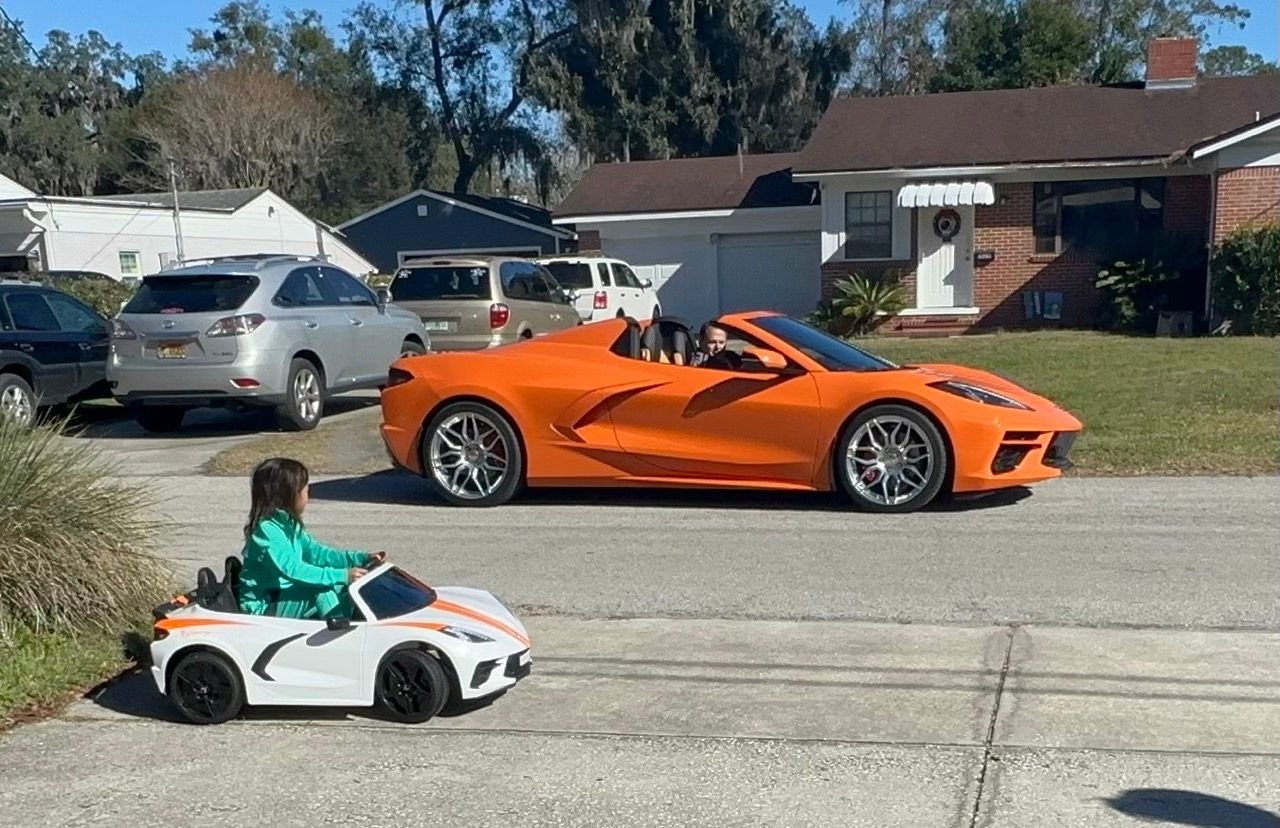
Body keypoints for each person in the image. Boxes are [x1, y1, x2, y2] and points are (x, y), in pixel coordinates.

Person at [237, 457, 384, 619]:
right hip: (263, 607)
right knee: (323, 590)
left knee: (342, 589)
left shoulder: (288, 524)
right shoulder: (267, 532)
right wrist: (343, 575)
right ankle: (343, 637)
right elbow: (293, 570)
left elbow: (317, 554)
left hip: (285, 596)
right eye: (305, 489)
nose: (309, 494)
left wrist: (359, 558)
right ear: (288, 494)